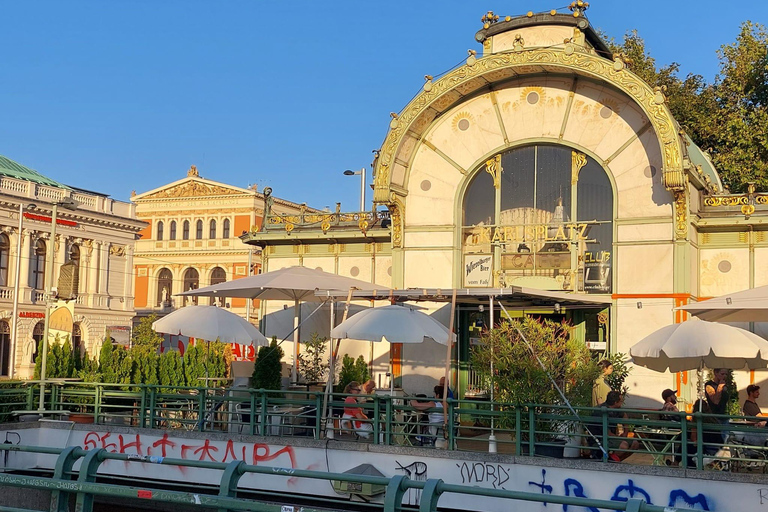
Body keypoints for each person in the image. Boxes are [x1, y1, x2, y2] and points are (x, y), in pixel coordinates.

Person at [587, 390, 640, 461]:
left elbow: (624, 416)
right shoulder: (600, 412)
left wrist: (625, 433)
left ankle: (615, 460)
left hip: (611, 437)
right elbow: (608, 433)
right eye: (621, 401)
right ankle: (611, 460)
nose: (622, 403)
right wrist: (621, 438)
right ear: (615, 402)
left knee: (635, 443)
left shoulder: (616, 409)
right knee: (624, 445)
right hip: (600, 439)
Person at [687, 400, 724, 468]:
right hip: (717, 449)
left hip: (707, 450)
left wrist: (693, 428)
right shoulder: (713, 420)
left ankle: (679, 464)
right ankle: (677, 462)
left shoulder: (698, 422)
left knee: (687, 445)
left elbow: (694, 440)